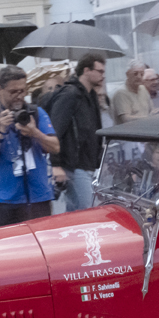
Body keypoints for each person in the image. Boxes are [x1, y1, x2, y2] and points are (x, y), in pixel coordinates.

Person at [0, 65, 60, 226]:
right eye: (13, 92)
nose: (19, 96)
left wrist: (35, 132)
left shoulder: (36, 113)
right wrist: (0, 132)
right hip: (7, 201)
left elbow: (55, 147)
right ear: (0, 90)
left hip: (39, 197)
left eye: (22, 91)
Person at [47, 54, 105, 212]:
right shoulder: (70, 94)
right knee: (87, 211)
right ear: (86, 70)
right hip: (73, 165)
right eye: (99, 71)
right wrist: (56, 164)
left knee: (77, 212)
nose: (103, 75)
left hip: (87, 164)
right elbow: (55, 129)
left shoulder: (91, 95)